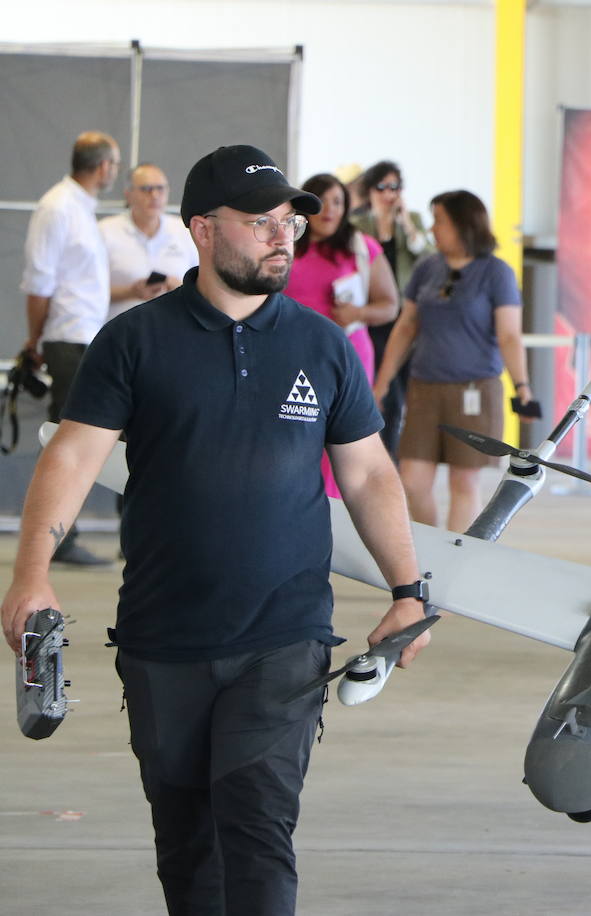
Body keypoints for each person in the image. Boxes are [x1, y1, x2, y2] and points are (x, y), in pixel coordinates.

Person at [1, 144, 430, 916]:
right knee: (188, 845)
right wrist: (30, 573)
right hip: (163, 636)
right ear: (202, 230)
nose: (283, 237)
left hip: (284, 635)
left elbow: (367, 474)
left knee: (258, 829)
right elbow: (69, 458)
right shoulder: (134, 342)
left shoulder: (322, 345)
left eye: (289, 223)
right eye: (260, 222)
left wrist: (408, 588)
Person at [372, 190, 534, 532]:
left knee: (464, 482)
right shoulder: (427, 268)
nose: (432, 229)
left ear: (463, 224)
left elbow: (509, 336)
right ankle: (430, 556)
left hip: (474, 389)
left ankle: (457, 557)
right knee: (413, 481)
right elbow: (405, 327)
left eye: (439, 221)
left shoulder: (496, 273)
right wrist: (382, 383)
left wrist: (522, 386)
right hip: (424, 388)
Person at [19, 130, 122, 566]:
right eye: (114, 165)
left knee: (75, 436)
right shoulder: (58, 207)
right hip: (66, 338)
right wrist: (35, 338)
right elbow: (39, 282)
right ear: (103, 167)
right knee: (66, 440)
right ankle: (58, 537)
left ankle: (62, 535)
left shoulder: (81, 208)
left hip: (84, 336)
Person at [284, 172, 399, 497]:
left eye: (338, 202)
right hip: (292, 355)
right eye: (322, 203)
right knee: (295, 434)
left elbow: (390, 306)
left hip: (348, 354)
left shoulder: (362, 248)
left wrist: (358, 314)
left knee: (345, 441)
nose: (331, 210)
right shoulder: (286, 244)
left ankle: (340, 519)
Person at [351, 160, 433, 458]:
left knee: (404, 391)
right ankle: (380, 456)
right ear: (370, 190)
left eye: (395, 187)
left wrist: (406, 225)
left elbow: (426, 257)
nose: (389, 194)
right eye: (382, 187)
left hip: (405, 317)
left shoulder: (412, 220)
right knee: (382, 393)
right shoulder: (359, 225)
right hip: (373, 317)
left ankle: (397, 457)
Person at [100, 163, 198, 320]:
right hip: (120, 328)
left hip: (173, 329)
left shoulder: (185, 231)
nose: (154, 195)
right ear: (128, 194)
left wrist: (180, 287)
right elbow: (87, 289)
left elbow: (202, 287)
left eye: (160, 188)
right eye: (146, 189)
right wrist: (130, 292)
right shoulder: (105, 231)